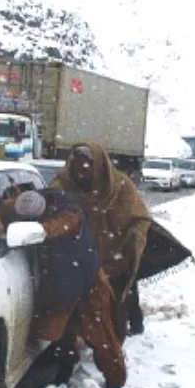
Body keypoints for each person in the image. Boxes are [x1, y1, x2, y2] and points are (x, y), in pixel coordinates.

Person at [0, 187, 126, 388]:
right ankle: (64, 370)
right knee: (64, 332)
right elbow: (7, 209)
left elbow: (53, 228)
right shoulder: (27, 201)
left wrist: (35, 230)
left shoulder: (69, 213)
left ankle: (115, 381)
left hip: (87, 281)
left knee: (99, 334)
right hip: (61, 281)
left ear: (45, 209)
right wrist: (2, 225)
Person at [50, 142, 152, 343]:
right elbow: (47, 203)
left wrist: (130, 244)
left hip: (113, 259)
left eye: (86, 169)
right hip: (79, 260)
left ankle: (113, 351)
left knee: (114, 311)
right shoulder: (64, 184)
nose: (82, 175)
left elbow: (140, 218)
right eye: (77, 168)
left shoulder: (121, 187)